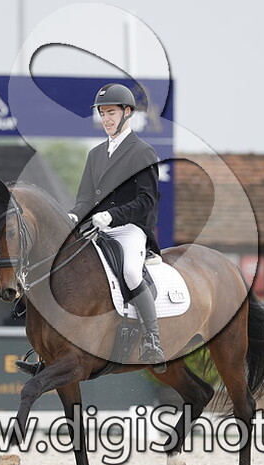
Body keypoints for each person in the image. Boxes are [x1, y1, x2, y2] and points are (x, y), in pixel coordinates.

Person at [68, 83, 165, 368]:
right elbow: (85, 198)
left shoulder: (143, 152)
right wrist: (73, 216)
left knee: (132, 272)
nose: (106, 119)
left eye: (111, 112)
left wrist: (112, 216)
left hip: (130, 229)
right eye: (102, 113)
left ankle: (152, 339)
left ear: (127, 112)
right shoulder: (95, 154)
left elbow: (147, 201)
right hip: (97, 228)